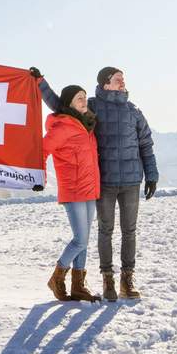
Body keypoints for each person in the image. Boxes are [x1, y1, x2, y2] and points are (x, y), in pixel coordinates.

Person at [31, 66, 158, 302]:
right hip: (105, 182)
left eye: (123, 79)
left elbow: (145, 145)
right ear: (105, 83)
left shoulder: (134, 111)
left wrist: (152, 174)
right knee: (104, 231)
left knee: (129, 231)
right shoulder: (94, 107)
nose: (123, 82)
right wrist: (40, 83)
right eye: (118, 79)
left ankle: (126, 279)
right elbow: (61, 105)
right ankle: (107, 279)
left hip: (131, 181)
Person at [42, 84, 102, 302]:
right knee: (80, 240)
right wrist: (41, 178)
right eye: (79, 98)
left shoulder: (86, 125)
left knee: (84, 240)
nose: (84, 101)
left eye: (85, 97)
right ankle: (56, 278)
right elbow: (42, 150)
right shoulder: (63, 127)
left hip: (89, 189)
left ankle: (78, 286)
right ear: (68, 103)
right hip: (74, 189)